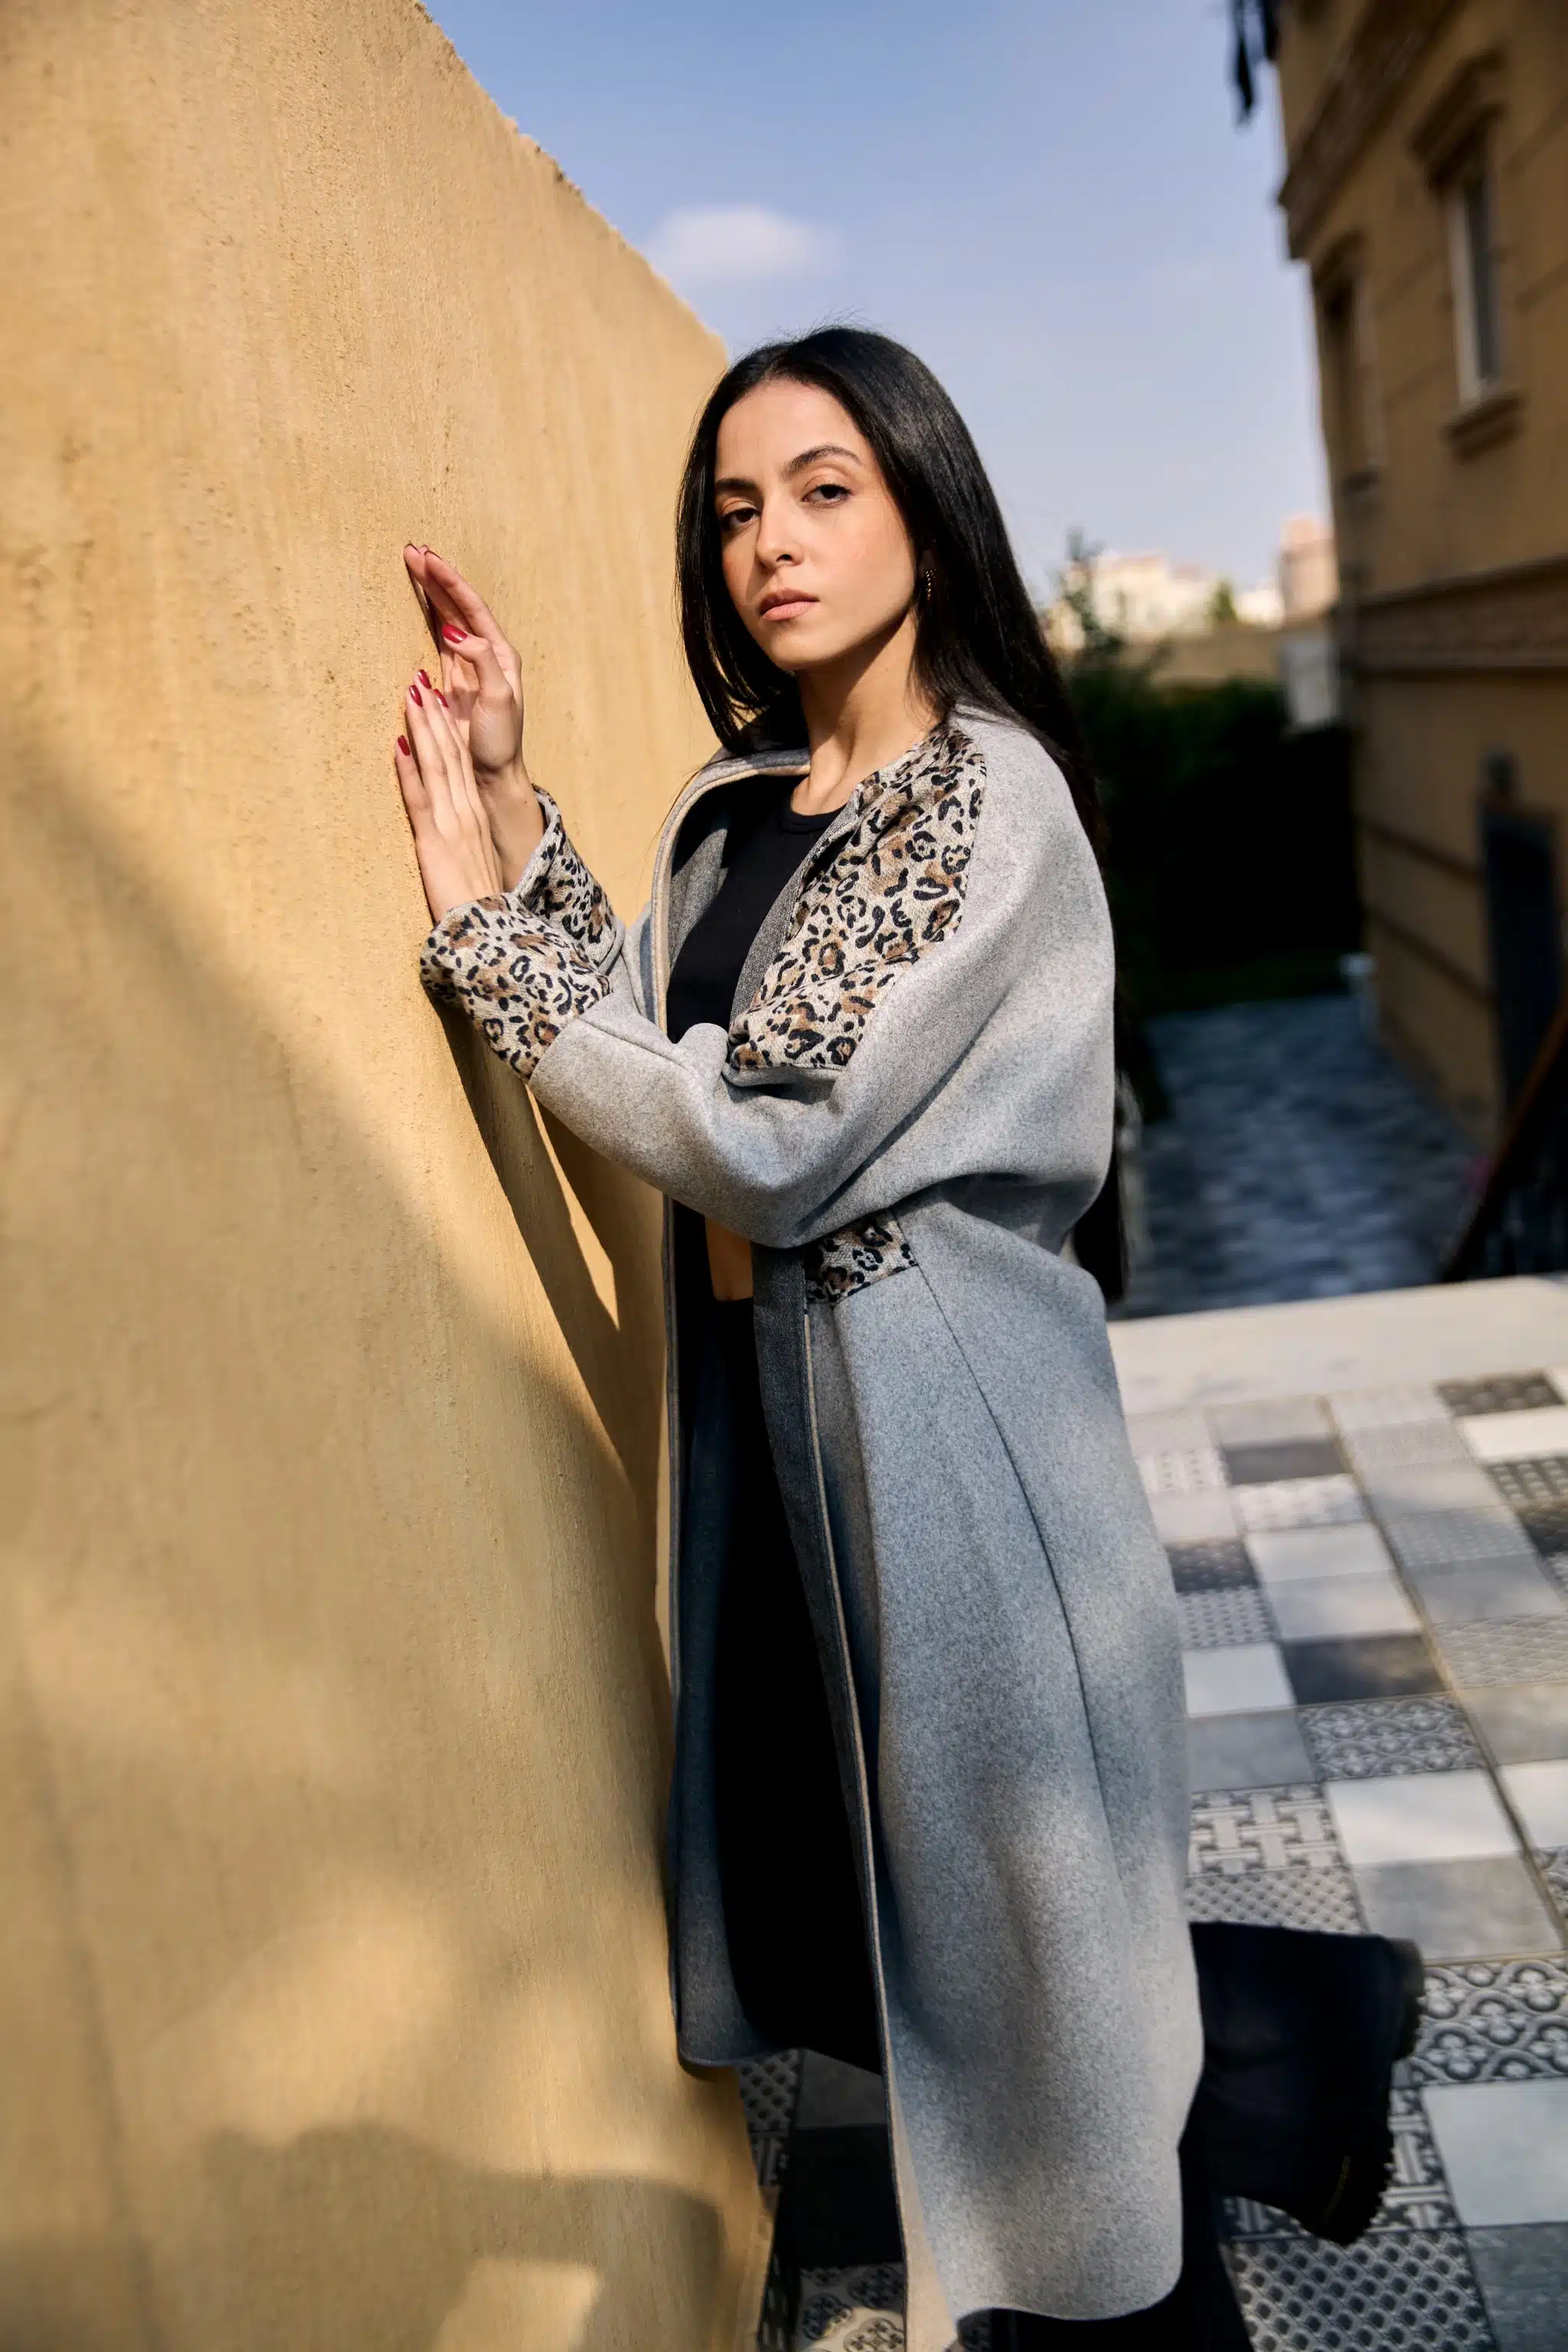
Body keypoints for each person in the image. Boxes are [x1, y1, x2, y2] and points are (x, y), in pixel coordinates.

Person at [390, 328, 1417, 2349]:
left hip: (959, 1461)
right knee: (851, 1924)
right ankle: (1301, 2019)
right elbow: (656, 1041)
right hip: (781, 1463)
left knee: (1035, 2031)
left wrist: (477, 940)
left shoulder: (982, 802)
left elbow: (767, 1142)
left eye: (824, 489)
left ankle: (1200, 2192)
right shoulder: (741, 802)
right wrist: (509, 805)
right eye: (735, 509)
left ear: (926, 514)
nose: (771, 541)